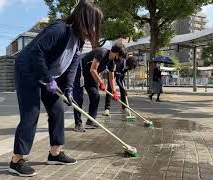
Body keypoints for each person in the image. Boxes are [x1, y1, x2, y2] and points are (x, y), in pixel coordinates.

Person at [9, 0, 103, 177]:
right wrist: (47, 79)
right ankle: (16, 160)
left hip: (48, 75)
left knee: (58, 110)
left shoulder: (79, 40)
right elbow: (37, 52)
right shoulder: (60, 29)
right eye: (93, 23)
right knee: (32, 112)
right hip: (28, 70)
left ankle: (55, 153)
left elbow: (73, 64)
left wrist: (68, 89)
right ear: (84, 18)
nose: (94, 28)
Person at [73, 43, 126, 132]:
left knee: (95, 96)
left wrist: (114, 91)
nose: (120, 59)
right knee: (79, 98)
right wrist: (101, 82)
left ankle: (90, 121)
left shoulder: (112, 62)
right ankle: (78, 123)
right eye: (120, 57)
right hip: (80, 73)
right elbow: (93, 69)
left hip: (91, 76)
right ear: (116, 54)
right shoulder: (101, 53)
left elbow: (111, 77)